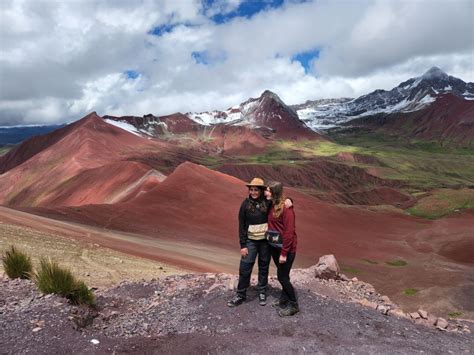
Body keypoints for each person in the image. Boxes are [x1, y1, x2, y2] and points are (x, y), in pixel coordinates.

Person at [227, 177, 271, 307]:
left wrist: (289, 200)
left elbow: (280, 199)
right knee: (245, 268)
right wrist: (243, 245)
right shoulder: (245, 204)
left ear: (261, 190)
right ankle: (240, 294)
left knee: (264, 266)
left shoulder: (268, 203)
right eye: (251, 190)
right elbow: (242, 226)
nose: (253, 192)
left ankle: (262, 291)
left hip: (265, 243)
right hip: (250, 242)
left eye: (256, 190)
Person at [266, 181, 299, 317]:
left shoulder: (286, 209)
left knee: (282, 277)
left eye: (268, 190)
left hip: (286, 249)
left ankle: (293, 304)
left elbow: (289, 232)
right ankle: (283, 300)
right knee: (283, 274)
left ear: (274, 192)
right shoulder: (271, 204)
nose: (265, 193)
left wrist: (284, 253)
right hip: (275, 246)